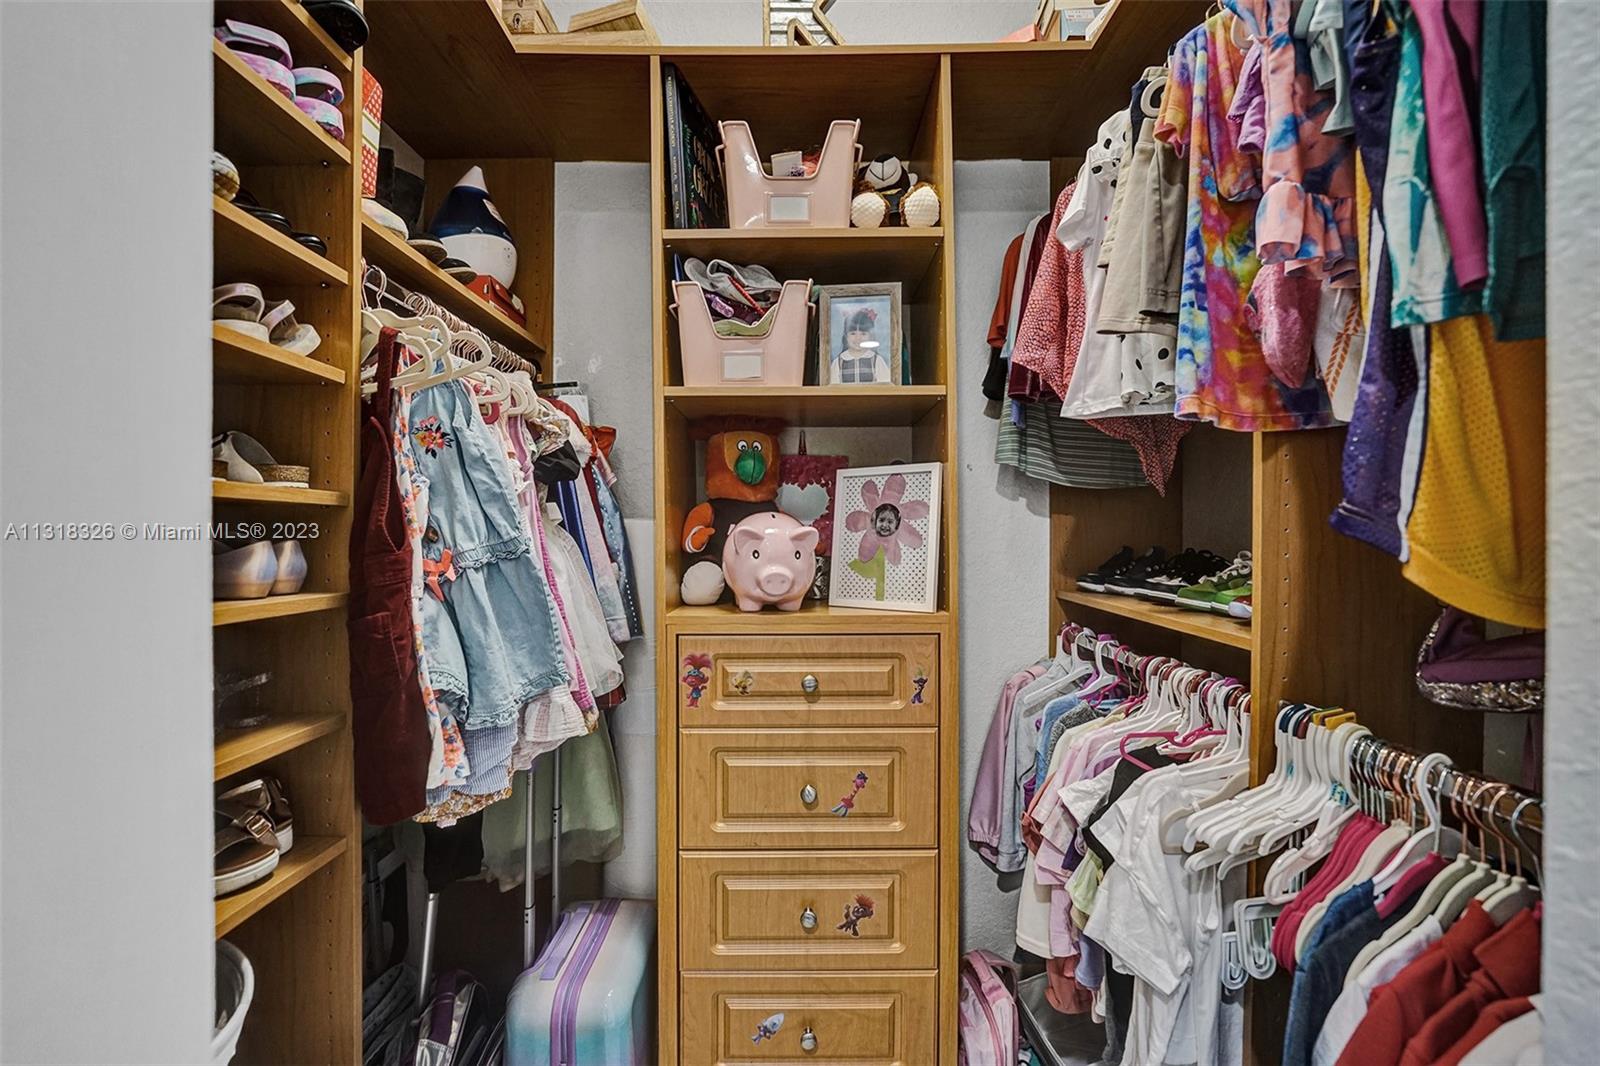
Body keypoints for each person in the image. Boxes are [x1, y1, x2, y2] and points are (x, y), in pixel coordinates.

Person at [831, 306, 891, 383]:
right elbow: (832, 390)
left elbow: (885, 387)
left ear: (870, 336)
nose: (858, 338)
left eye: (863, 334)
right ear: (846, 336)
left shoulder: (876, 360)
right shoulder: (838, 362)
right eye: (853, 333)